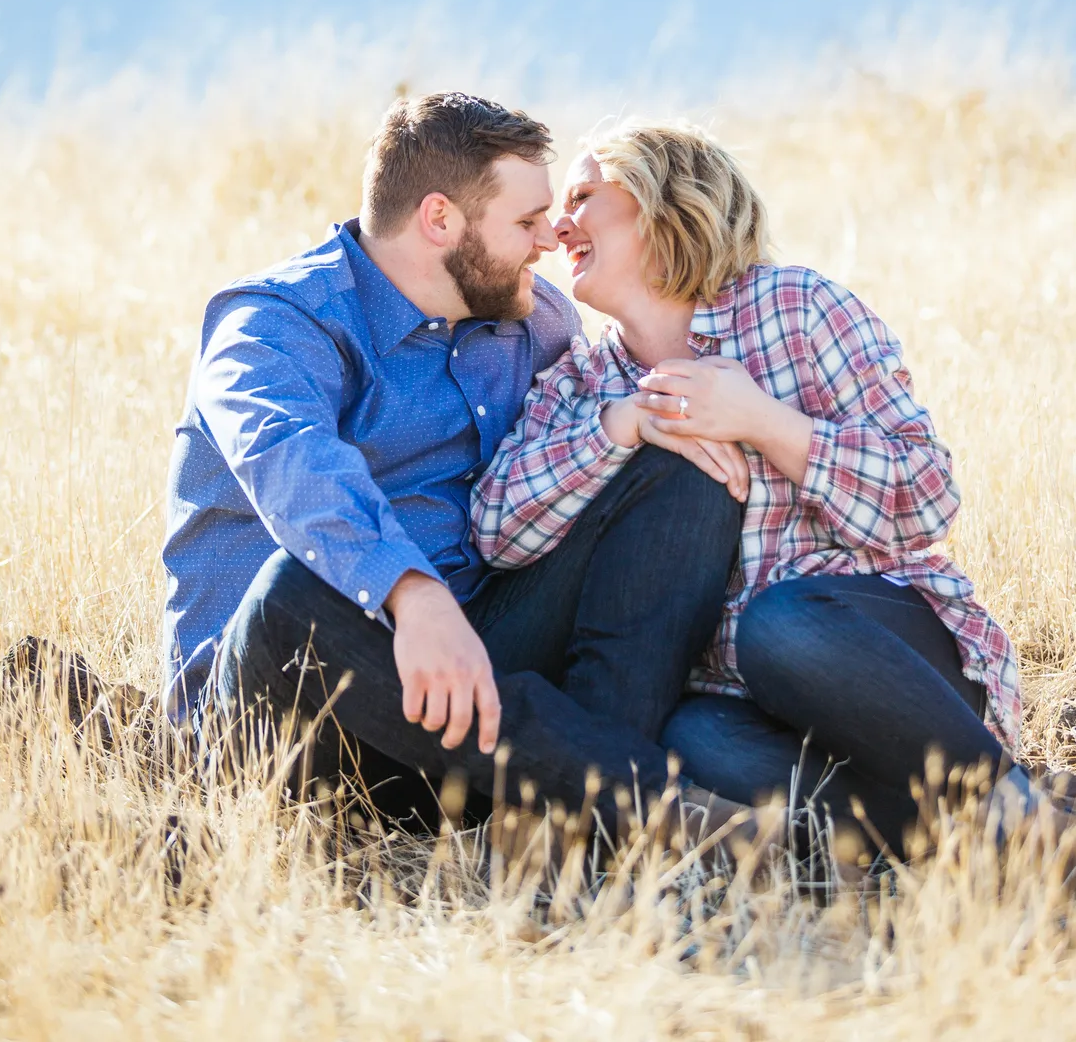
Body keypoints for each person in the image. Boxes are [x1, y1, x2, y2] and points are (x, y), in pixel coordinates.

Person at [161, 92, 746, 839]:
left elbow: (573, 482)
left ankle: (579, 824)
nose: (549, 240)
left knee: (676, 458)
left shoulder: (538, 325)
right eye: (527, 222)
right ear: (440, 220)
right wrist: (412, 594)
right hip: (291, 731)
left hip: (471, 704)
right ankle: (646, 811)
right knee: (291, 590)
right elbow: (290, 460)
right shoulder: (273, 324)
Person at [471, 120, 1028, 859]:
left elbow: (926, 497)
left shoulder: (794, 308)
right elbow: (494, 529)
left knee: (783, 624)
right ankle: (951, 843)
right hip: (748, 707)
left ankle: (1014, 809)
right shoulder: (581, 381)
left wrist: (766, 424)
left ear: (662, 202)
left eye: (582, 196)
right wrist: (619, 427)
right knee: (692, 739)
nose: (558, 226)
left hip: (881, 661)